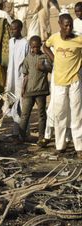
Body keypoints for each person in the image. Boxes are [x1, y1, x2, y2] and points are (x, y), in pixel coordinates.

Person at [43, 13, 82, 157]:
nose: (69, 27)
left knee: (77, 115)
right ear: (59, 24)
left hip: (74, 82)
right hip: (59, 83)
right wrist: (53, 59)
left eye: (70, 25)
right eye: (66, 25)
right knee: (60, 114)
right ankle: (60, 146)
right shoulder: (54, 38)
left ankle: (79, 147)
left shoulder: (78, 39)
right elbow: (45, 46)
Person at [19, 35, 51, 146]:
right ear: (30, 46)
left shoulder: (44, 57)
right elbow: (26, 75)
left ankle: (41, 137)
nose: (35, 49)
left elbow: (51, 69)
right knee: (25, 114)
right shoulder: (27, 58)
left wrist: (43, 68)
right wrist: (23, 89)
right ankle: (21, 137)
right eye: (33, 47)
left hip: (41, 90)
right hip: (29, 91)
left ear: (40, 46)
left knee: (41, 114)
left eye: (37, 47)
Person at [5, 19, 28, 136]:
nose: (12, 31)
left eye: (14, 29)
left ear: (20, 29)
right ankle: (15, 131)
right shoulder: (10, 41)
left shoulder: (25, 43)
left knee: (21, 104)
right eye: (11, 28)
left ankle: (23, 132)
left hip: (21, 78)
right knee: (12, 102)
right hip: (11, 77)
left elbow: (27, 63)